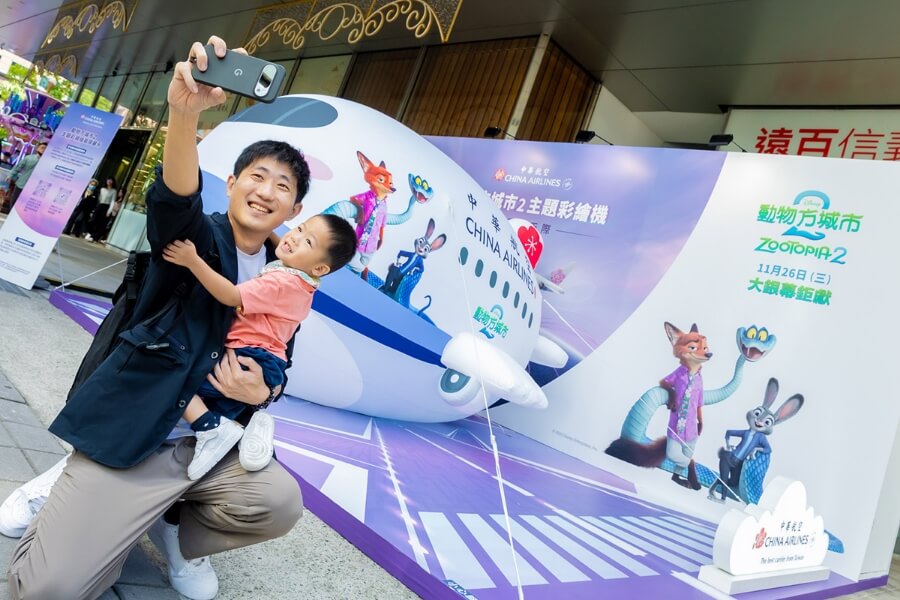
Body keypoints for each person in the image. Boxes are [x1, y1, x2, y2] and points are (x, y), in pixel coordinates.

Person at [4, 36, 309, 600]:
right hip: (140, 427)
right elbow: (175, 200)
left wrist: (263, 391)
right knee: (50, 588)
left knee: (277, 502)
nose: (267, 191)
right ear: (233, 183)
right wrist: (184, 114)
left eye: (283, 187)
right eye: (257, 176)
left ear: (295, 210)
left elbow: (280, 352)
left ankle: (175, 528)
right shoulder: (197, 239)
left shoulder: (285, 279)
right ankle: (69, 488)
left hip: (208, 443)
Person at [161, 213, 356, 481]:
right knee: (220, 409)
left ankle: (211, 430)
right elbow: (288, 245)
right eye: (299, 229)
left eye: (308, 241)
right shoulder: (303, 282)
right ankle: (248, 432)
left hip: (247, 356)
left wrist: (193, 261)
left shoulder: (280, 283)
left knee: (175, 382)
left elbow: (231, 295)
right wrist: (270, 230)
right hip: (268, 363)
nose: (294, 238)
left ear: (320, 268)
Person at [6, 142, 46, 209]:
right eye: (42, 148)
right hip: (21, 184)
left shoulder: (46, 162)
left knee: (25, 206)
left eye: (45, 149)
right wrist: (10, 175)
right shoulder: (28, 158)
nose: (44, 150)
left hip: (34, 188)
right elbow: (18, 168)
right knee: (14, 202)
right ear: (37, 148)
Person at [84, 177, 116, 241]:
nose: (109, 181)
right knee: (93, 220)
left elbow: (112, 202)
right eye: (108, 180)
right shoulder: (102, 189)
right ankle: (90, 233)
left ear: (113, 182)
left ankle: (94, 237)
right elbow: (99, 199)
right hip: (99, 206)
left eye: (111, 180)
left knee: (101, 223)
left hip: (106, 207)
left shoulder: (114, 191)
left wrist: (109, 211)